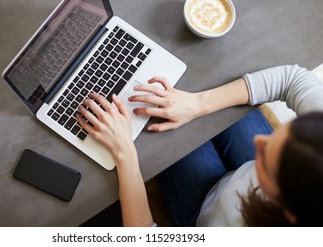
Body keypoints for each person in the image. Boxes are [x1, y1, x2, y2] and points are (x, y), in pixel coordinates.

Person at [76, 64, 323, 226]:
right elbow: (293, 79)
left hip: (205, 215)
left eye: (270, 166)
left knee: (153, 134)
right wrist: (198, 104)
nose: (259, 141)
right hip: (237, 181)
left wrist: (124, 154)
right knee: (187, 93)